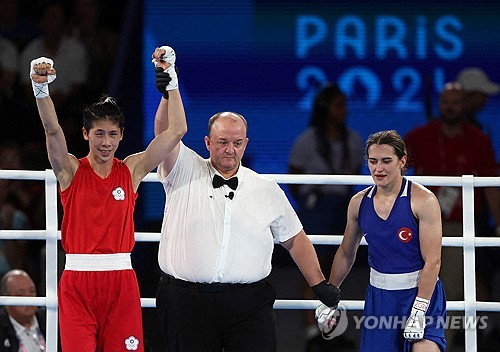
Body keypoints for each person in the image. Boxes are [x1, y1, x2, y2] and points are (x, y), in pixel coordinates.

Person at [151, 45, 341, 352]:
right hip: (187, 301)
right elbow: (166, 133)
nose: (230, 149)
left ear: (246, 143)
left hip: (248, 304)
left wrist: (318, 283)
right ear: (207, 142)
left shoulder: (265, 188)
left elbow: (295, 239)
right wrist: (167, 90)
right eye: (223, 142)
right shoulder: (183, 167)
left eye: (237, 143)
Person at [29, 51, 187, 351]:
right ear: (86, 134)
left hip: (121, 282)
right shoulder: (71, 171)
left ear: (121, 135)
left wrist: (172, 82)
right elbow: (52, 130)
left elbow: (177, 131)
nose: (106, 142)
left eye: (112, 134)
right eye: (99, 134)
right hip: (78, 281)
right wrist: (41, 89)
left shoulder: (131, 170)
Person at [317, 130, 446, 352]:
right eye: (373, 161)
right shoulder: (359, 203)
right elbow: (347, 253)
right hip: (381, 298)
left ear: (402, 161)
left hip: (421, 292)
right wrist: (331, 296)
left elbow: (433, 261)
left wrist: (419, 308)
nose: (378, 169)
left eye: (386, 161)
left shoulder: (423, 200)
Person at [404, 82, 500, 349]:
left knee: (451, 285)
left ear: (464, 105)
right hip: (418, 223)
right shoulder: (419, 136)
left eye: (456, 102)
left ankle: (436, 341)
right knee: (413, 281)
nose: (450, 107)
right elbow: (393, 174)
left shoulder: (479, 141)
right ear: (439, 104)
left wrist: (499, 223)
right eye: (446, 101)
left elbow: (491, 185)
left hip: (459, 224)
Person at [288, 83, 363, 349]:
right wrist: (311, 204)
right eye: (339, 105)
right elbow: (294, 176)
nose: (345, 111)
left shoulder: (352, 140)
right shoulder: (306, 140)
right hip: (315, 207)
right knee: (312, 268)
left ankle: (329, 327)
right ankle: (311, 332)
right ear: (325, 109)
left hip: (341, 206)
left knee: (336, 269)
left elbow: (353, 173)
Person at [0, 269, 46, 352]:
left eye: (32, 291)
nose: (28, 298)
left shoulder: (51, 318)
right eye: (20, 294)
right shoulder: (1, 327)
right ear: (6, 299)